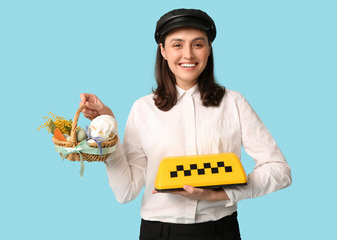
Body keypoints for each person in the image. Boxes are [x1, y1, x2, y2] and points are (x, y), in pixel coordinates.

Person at [79, 8, 292, 240]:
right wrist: (107, 130)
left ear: (209, 49)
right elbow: (125, 192)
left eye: (198, 44)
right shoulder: (142, 108)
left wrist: (222, 194)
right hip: (158, 232)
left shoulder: (234, 102)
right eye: (177, 44)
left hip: (220, 230)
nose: (188, 55)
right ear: (163, 50)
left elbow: (279, 170)